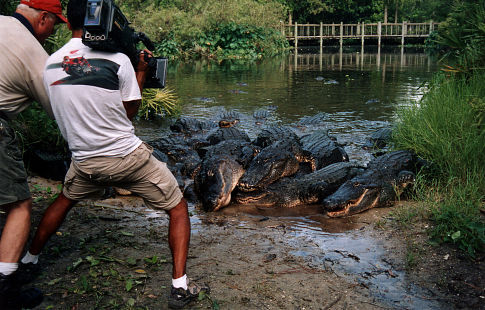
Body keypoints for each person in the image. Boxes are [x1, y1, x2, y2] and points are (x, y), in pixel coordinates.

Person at [20, 0, 208, 308]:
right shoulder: (118, 60)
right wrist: (142, 70)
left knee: (65, 200)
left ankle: (29, 259)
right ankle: (179, 287)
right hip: (128, 160)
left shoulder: (51, 63)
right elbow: (130, 112)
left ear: (68, 23)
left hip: (84, 161)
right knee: (177, 208)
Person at [0, 0, 67, 308]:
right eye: (55, 23)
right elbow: (61, 111)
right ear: (43, 18)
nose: (53, 31)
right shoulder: (35, 53)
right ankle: (6, 286)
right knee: (19, 205)